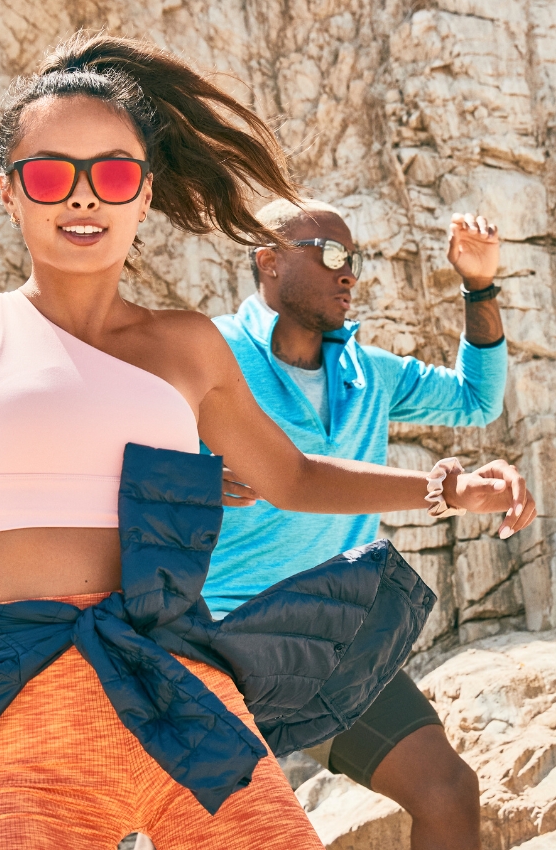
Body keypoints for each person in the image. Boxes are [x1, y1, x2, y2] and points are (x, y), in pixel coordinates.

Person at [0, 33, 535, 850]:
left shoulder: (186, 346)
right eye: (49, 174)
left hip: (188, 709)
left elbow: (291, 476)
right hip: (25, 723)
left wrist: (445, 490)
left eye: (110, 174)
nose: (82, 197)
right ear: (8, 192)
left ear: (143, 195)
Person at [206, 197, 508, 850]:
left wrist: (478, 283)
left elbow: (477, 401)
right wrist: (190, 477)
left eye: (356, 260)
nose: (350, 273)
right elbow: (113, 452)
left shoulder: (368, 374)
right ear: (269, 260)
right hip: (217, 647)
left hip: (328, 642)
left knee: (448, 791)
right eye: (331, 255)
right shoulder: (211, 354)